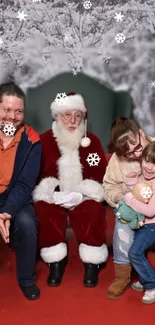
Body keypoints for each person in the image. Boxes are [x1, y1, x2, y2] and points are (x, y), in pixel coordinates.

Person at [33, 92, 108, 287]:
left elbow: (100, 175)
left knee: (93, 210)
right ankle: (55, 261)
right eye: (67, 114)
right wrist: (52, 192)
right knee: (44, 210)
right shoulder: (43, 141)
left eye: (78, 115)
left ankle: (92, 263)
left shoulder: (92, 141)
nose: (73, 120)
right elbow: (36, 176)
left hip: (83, 196)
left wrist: (81, 193)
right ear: (57, 116)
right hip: (54, 197)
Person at [103, 117, 155, 299]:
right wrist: (124, 197)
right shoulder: (117, 160)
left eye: (138, 148)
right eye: (129, 153)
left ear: (141, 133)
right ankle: (122, 277)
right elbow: (109, 188)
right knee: (122, 228)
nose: (135, 155)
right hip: (131, 207)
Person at [0, 82, 42, 300]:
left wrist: (6, 213)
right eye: (7, 110)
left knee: (27, 224)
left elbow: (25, 184)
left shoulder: (33, 140)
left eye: (18, 111)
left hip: (16, 195)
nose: (12, 117)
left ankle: (26, 279)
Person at [124, 141, 155, 304]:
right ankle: (144, 279)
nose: (149, 167)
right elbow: (137, 194)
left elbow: (150, 211)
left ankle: (151, 284)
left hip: (152, 225)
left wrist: (129, 199)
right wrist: (131, 183)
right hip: (142, 223)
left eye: (154, 163)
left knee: (135, 253)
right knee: (135, 251)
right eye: (147, 161)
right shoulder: (143, 177)